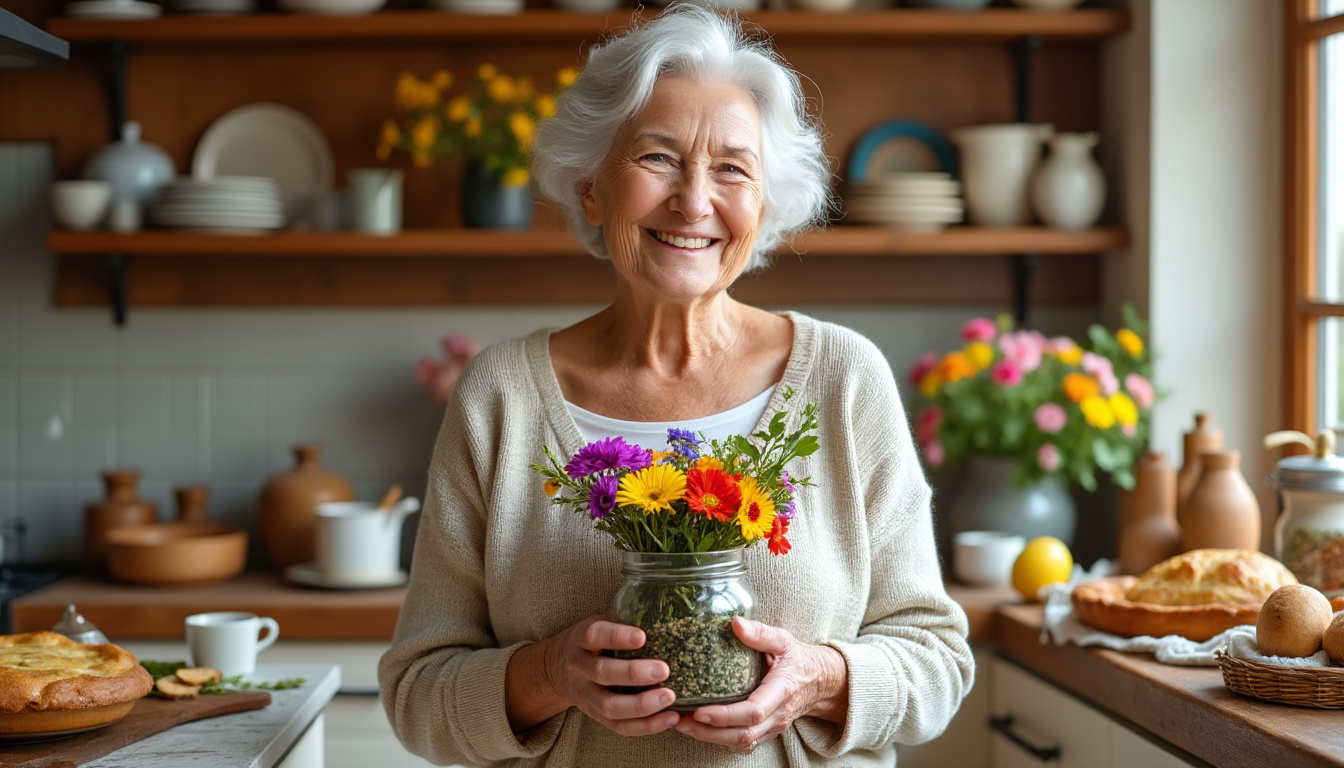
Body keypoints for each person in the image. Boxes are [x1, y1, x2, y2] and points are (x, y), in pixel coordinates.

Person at [378, 4, 974, 765]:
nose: (694, 202)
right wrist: (551, 674)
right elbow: (417, 695)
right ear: (591, 189)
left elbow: (936, 660)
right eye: (657, 158)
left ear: (765, 205)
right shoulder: (501, 395)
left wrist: (819, 680)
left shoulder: (845, 378)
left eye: (732, 168)